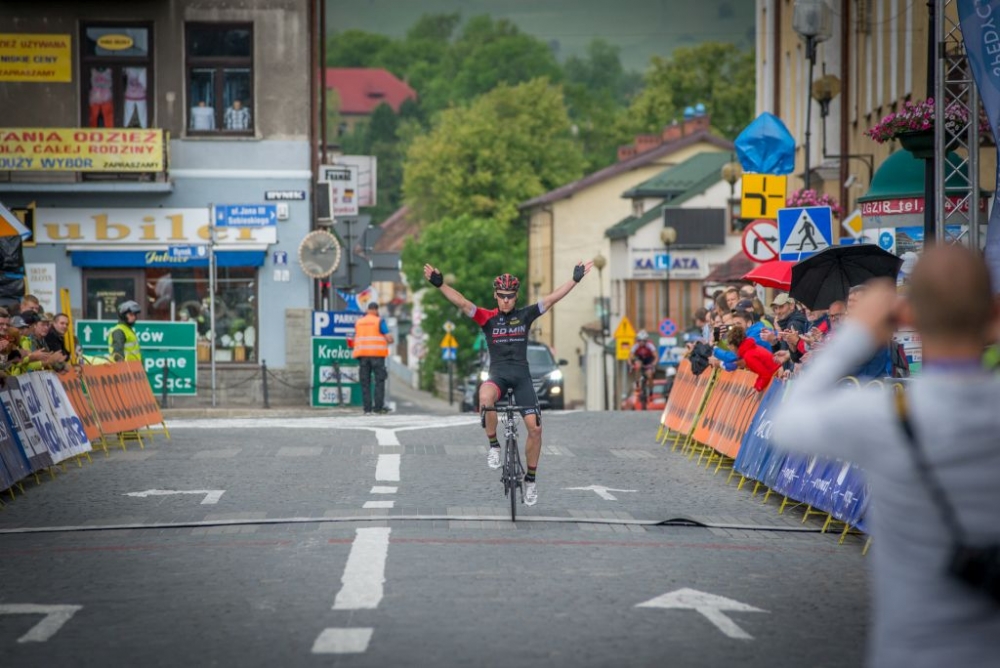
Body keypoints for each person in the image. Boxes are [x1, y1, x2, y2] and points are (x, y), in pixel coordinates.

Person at [772, 245, 1000, 668]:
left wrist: (857, 334)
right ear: (994, 314)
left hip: (911, 650)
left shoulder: (882, 417)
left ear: (907, 316)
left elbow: (788, 424)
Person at [423, 260, 592, 507]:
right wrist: (440, 284)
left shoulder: (525, 315)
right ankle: (494, 445)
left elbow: (553, 298)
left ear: (516, 297)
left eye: (510, 297)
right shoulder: (487, 318)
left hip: (522, 377)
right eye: (501, 296)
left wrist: (575, 280)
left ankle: (531, 480)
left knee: (535, 429)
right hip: (498, 376)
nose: (505, 301)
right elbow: (461, 302)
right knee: (485, 398)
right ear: (495, 296)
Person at [352, 301, 394, 415]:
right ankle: (378, 408)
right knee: (379, 381)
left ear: (367, 310)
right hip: (377, 356)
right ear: (376, 310)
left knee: (365, 382)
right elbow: (389, 338)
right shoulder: (379, 321)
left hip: (363, 356)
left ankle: (367, 409)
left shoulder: (359, 322)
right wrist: (390, 340)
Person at [629, 330, 658, 407]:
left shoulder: (650, 346)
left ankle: (651, 391)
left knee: (649, 375)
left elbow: (656, 356)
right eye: (639, 341)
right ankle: (637, 383)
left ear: (646, 341)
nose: (641, 342)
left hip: (648, 360)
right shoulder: (635, 346)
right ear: (637, 341)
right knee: (637, 365)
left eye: (643, 341)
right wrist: (631, 364)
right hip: (640, 359)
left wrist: (653, 364)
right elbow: (630, 357)